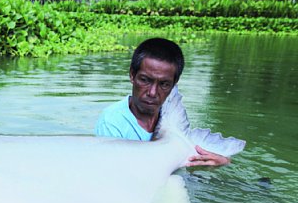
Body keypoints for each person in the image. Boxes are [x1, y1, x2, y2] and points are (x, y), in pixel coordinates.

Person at [95, 38, 230, 167]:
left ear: (174, 84)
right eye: (145, 80)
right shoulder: (112, 123)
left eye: (164, 84)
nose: (153, 92)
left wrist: (221, 162)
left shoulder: (170, 116)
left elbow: (195, 156)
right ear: (132, 75)